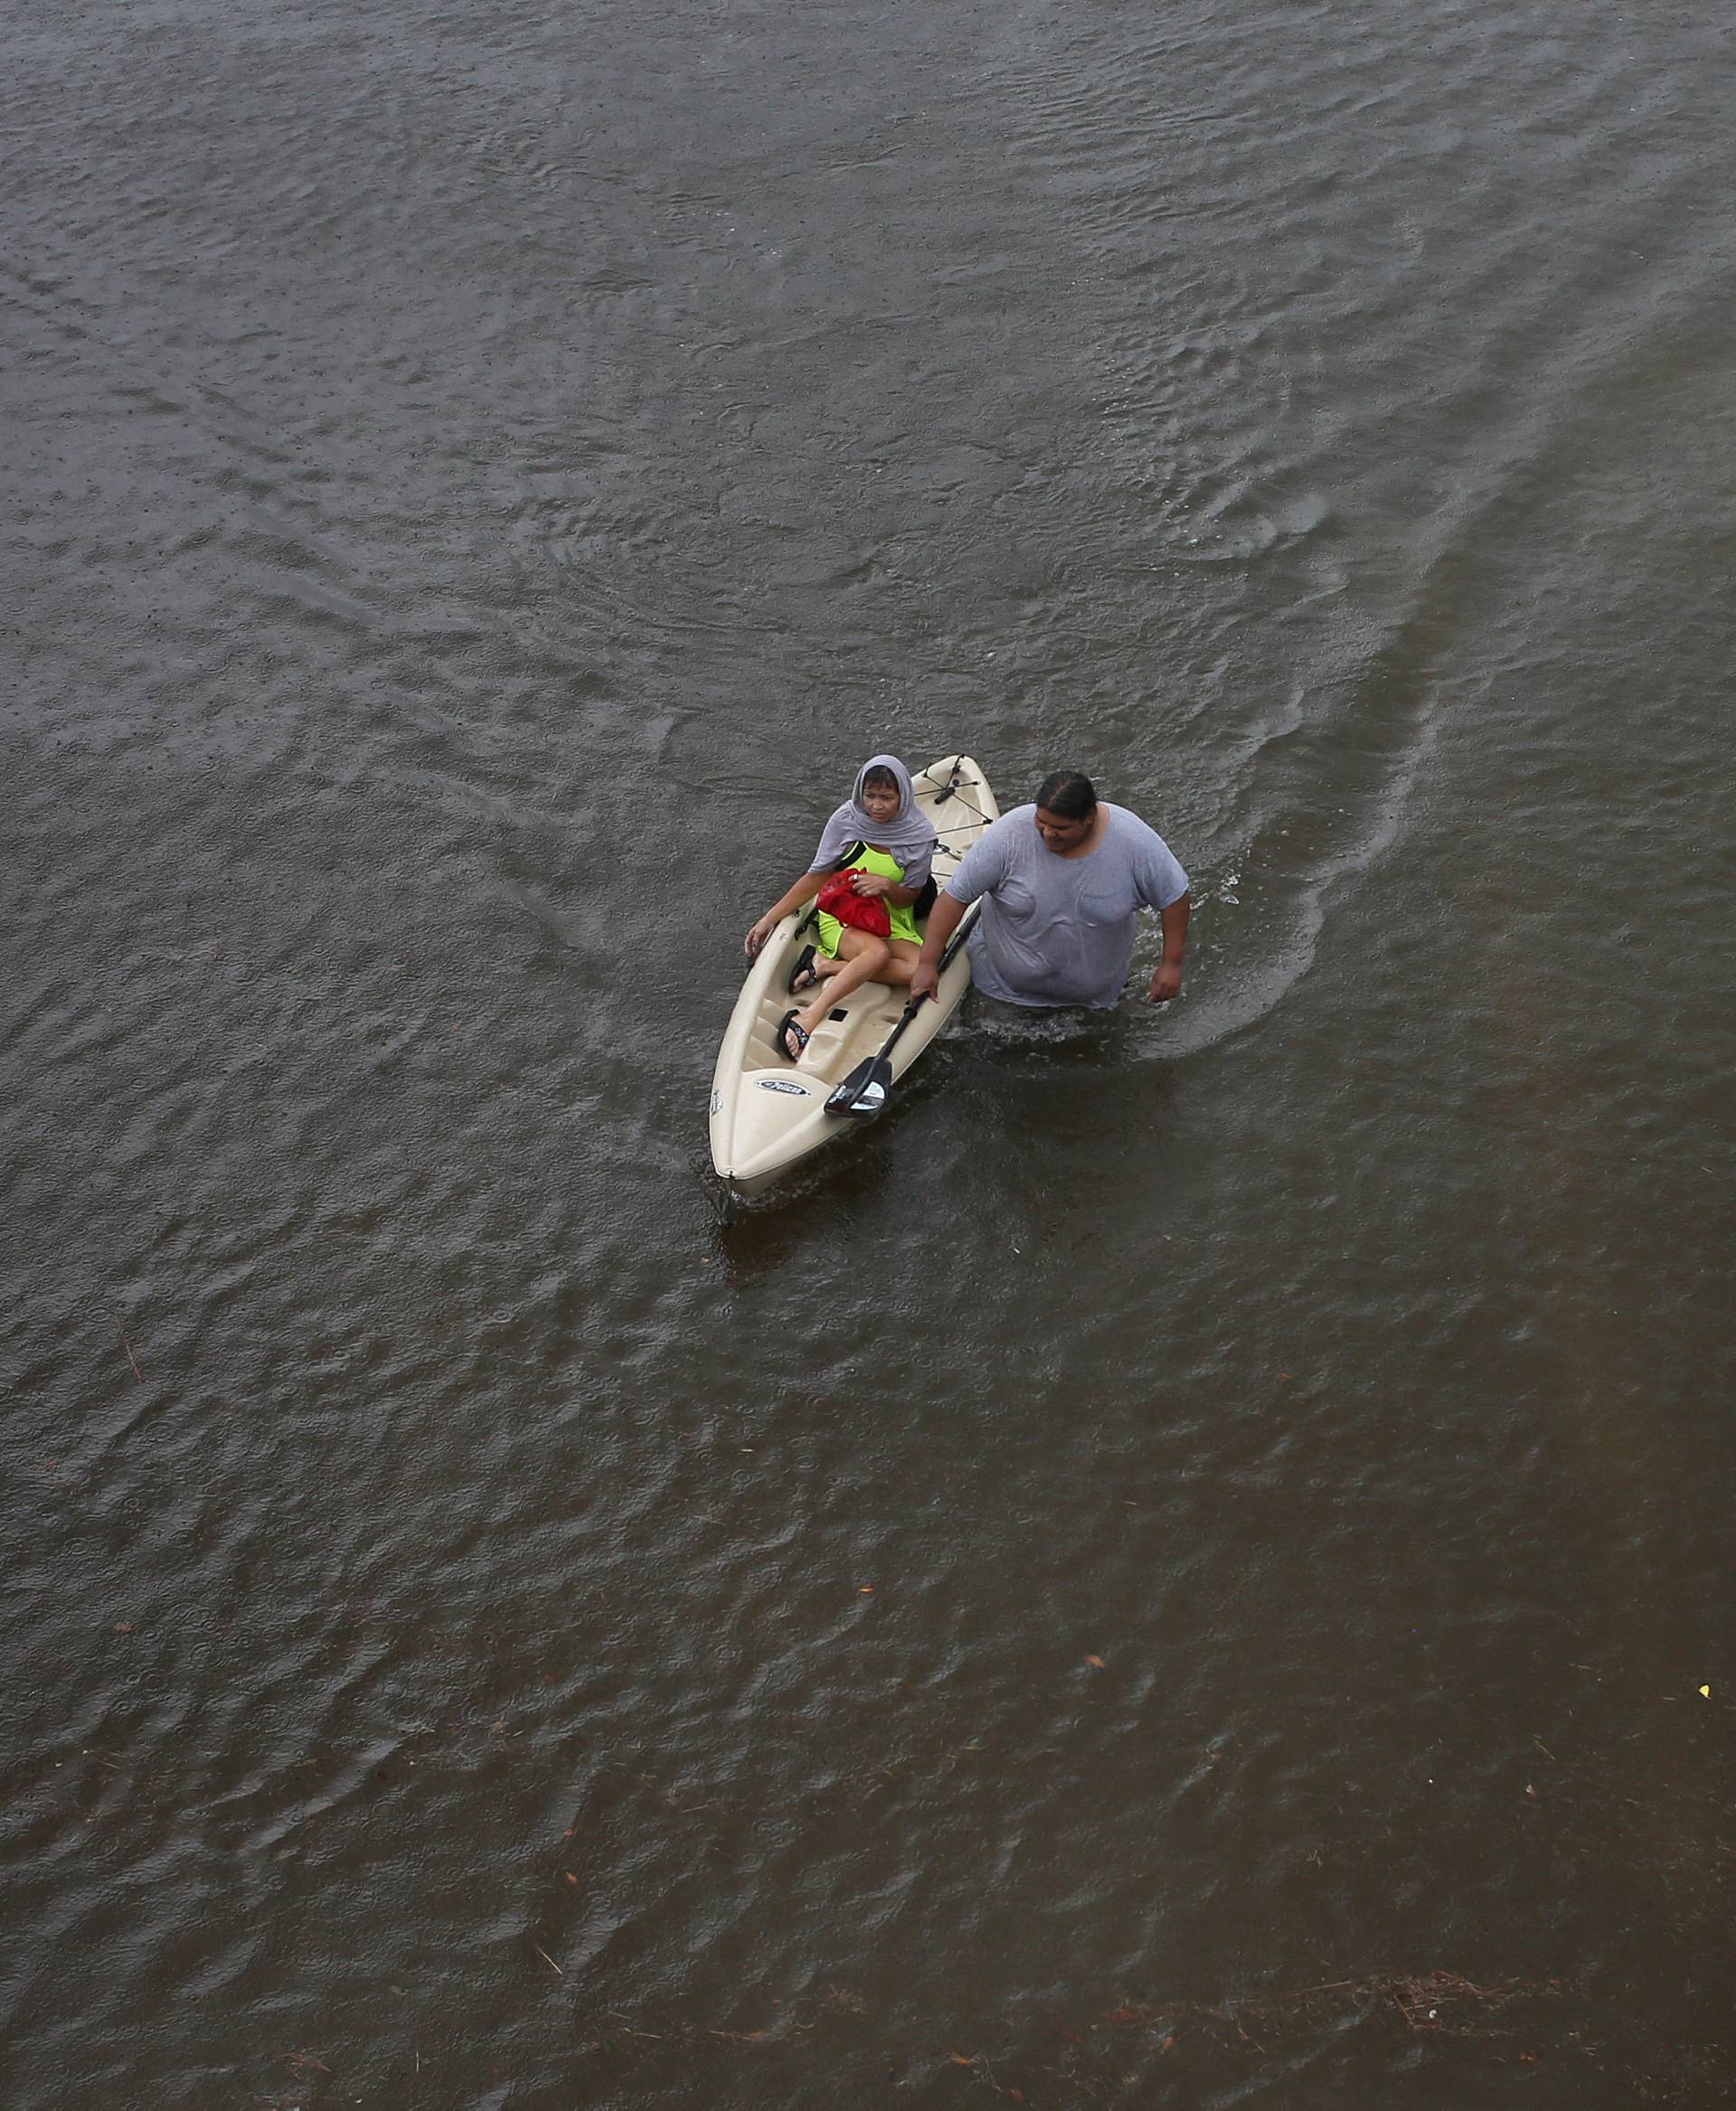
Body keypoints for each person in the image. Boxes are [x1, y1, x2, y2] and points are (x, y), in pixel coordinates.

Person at [909, 769, 1190, 1012]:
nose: (1047, 834)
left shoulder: (1134, 843)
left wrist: (1171, 964)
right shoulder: (1008, 836)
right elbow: (955, 898)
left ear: (1089, 818)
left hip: (1095, 1002)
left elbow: (1174, 896)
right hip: (1000, 991)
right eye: (1041, 823)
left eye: (1060, 828)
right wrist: (927, 964)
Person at [744, 755, 939, 1062]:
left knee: (923, 970)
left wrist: (886, 886)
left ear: (903, 797)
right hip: (843, 915)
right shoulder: (846, 820)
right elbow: (816, 877)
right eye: (870, 796)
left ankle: (826, 966)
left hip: (891, 918)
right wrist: (770, 918)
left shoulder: (919, 836)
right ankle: (810, 1015)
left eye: (887, 798)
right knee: (877, 954)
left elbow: (909, 898)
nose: (876, 805)